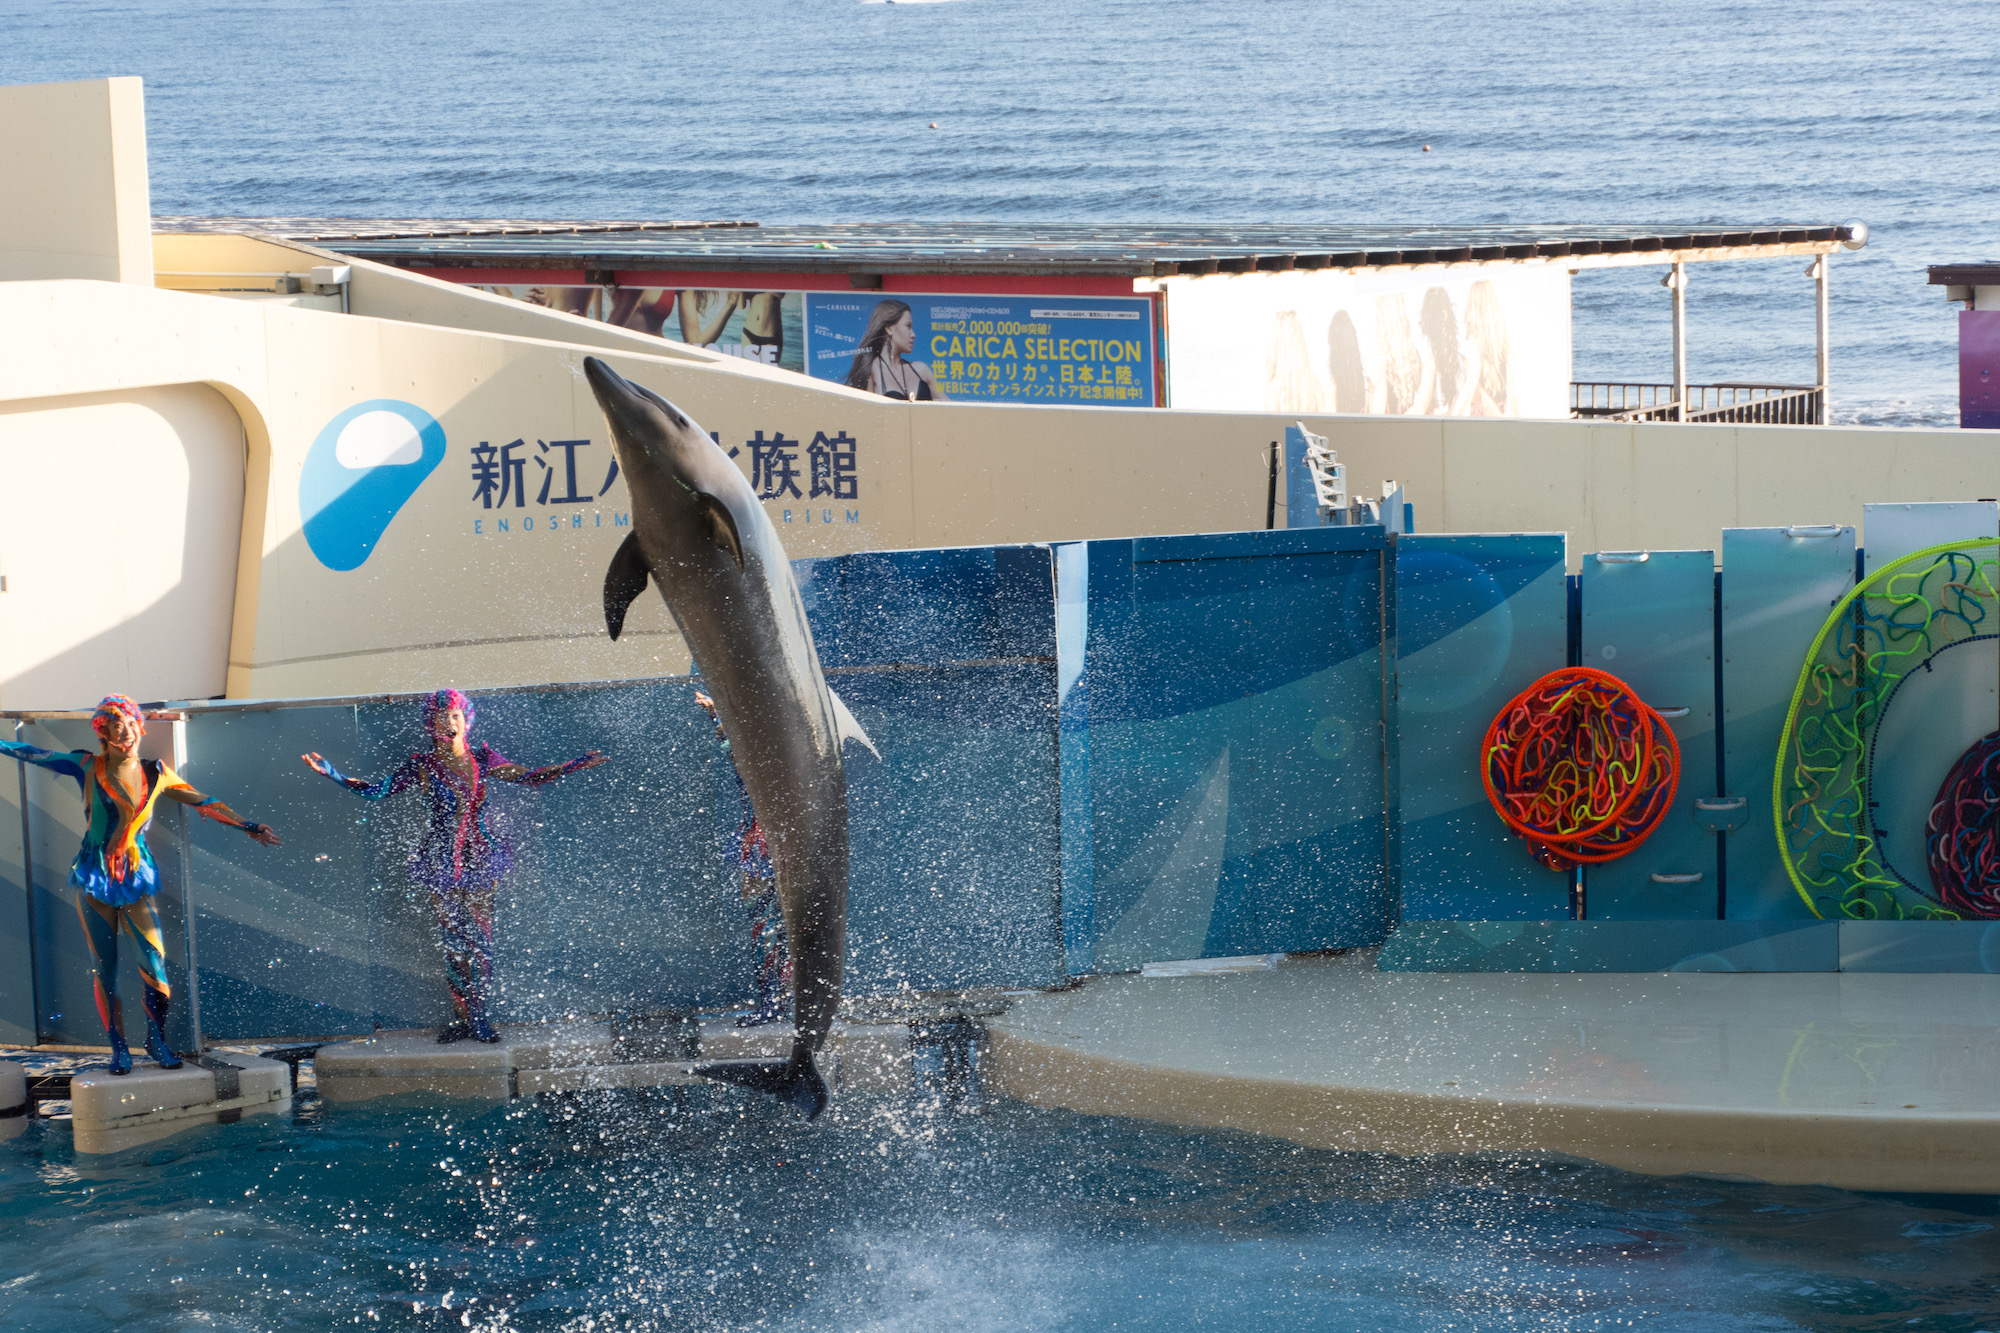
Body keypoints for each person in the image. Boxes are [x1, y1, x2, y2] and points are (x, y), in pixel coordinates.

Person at [302, 689, 606, 1044]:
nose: (449, 722)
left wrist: (573, 764)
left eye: (455, 716)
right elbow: (376, 791)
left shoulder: (483, 758)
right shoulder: (422, 765)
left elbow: (530, 777)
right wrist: (334, 775)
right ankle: (463, 1018)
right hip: (439, 860)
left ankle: (479, 1017)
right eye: (442, 717)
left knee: (480, 942)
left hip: (479, 858)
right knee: (453, 943)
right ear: (431, 724)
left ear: (466, 721)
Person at [0, 696, 281, 1074]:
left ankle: (156, 1039)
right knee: (105, 969)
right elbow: (32, 752)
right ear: (103, 732)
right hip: (94, 878)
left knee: (155, 967)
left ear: (139, 726)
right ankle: (118, 1049)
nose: (126, 732)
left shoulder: (157, 772)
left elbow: (205, 801)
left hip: (134, 879)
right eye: (116, 725)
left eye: (130, 723)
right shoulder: (87, 765)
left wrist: (250, 826)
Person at [695, 690, 791, 1027]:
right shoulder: (792, 765)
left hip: (762, 851)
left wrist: (715, 715)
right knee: (784, 931)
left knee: (766, 929)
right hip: (786, 848)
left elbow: (733, 749)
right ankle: (783, 1003)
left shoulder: (757, 763)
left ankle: (772, 1005)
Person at [844, 299, 936, 401]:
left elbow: (949, 407)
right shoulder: (874, 370)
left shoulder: (921, 370)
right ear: (889, 329)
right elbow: (866, 413)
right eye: (908, 326)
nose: (913, 335)